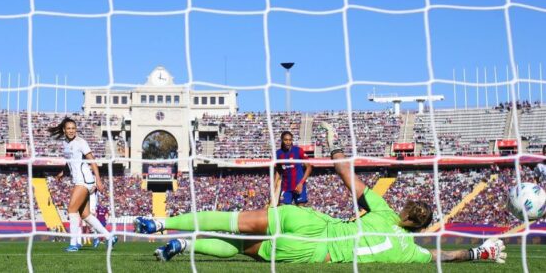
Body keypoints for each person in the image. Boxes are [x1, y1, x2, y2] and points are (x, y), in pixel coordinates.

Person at [134, 123, 506, 264]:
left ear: (407, 209)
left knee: (234, 221)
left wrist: (333, 145)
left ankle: (162, 223)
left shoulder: (382, 208)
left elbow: (346, 174)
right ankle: (181, 242)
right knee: (237, 246)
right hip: (317, 253)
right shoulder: (411, 252)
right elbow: (447, 256)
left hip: (314, 222)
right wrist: (478, 252)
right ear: (421, 228)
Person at [48, 117, 117, 252]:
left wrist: (98, 180)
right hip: (78, 180)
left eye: (73, 128)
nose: (71, 131)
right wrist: (63, 173)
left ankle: (74, 243)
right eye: (69, 128)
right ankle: (110, 237)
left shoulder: (81, 142)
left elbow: (93, 162)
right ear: (64, 130)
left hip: (85, 180)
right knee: (85, 215)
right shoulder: (65, 144)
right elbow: (71, 162)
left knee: (72, 211)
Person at [273, 131, 312, 206]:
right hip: (286, 188)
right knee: (283, 210)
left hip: (298, 186)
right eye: (286, 140)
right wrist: (274, 185)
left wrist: (301, 183)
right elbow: (278, 170)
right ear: (282, 140)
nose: (288, 142)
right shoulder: (278, 153)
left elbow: (309, 168)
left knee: (301, 211)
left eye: (290, 140)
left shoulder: (298, 151)